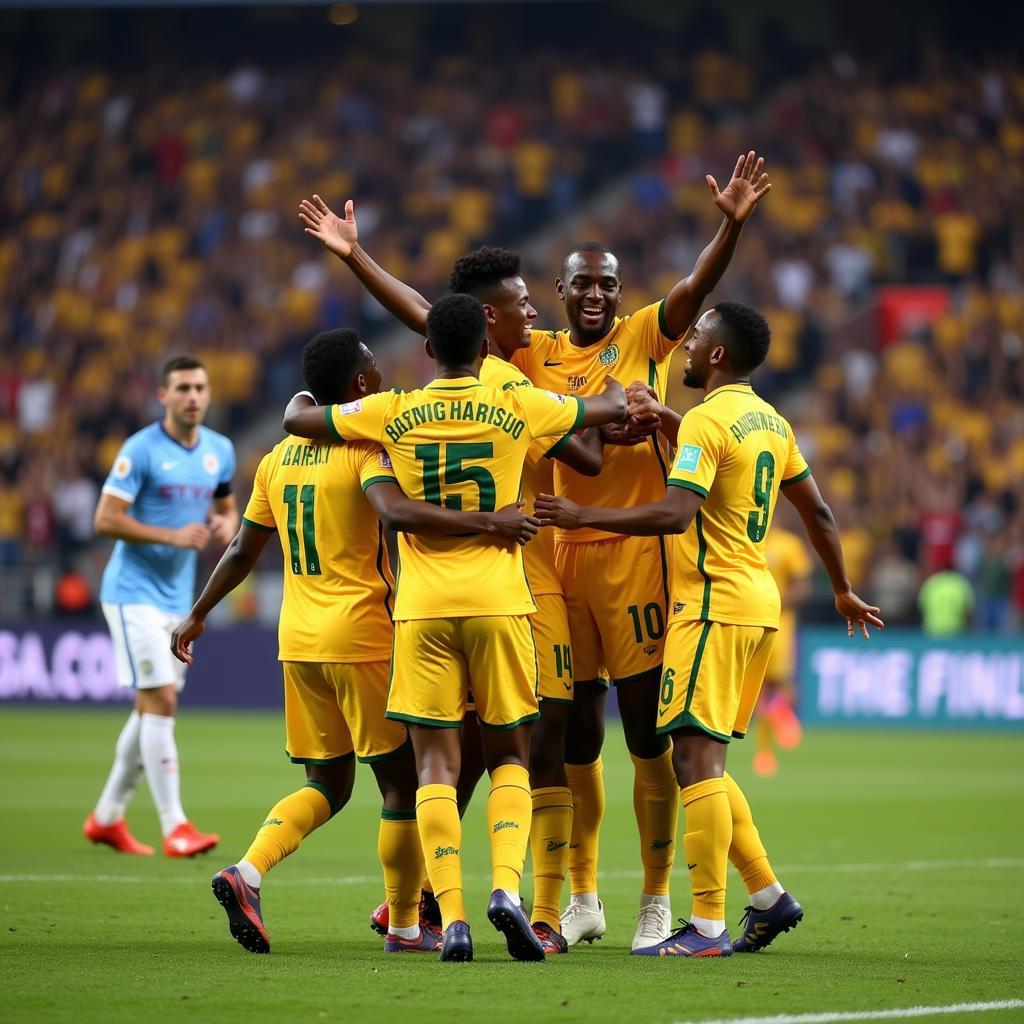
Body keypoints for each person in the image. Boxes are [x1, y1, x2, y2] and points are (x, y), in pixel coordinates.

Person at [297, 149, 770, 949]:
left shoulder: (644, 337)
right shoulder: (528, 353)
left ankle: (656, 898)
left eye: (607, 284)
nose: (595, 294)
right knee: (559, 732)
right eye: (581, 282)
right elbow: (435, 317)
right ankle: (572, 897)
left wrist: (728, 227)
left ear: (619, 293)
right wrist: (357, 258)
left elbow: (696, 287)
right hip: (544, 557)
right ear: (559, 293)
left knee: (646, 736)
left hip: (631, 562)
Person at [170, 328, 538, 955]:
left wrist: (199, 612)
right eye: (373, 369)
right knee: (402, 785)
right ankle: (402, 925)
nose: (382, 376)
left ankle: (249, 871)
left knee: (329, 783)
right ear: (359, 386)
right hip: (362, 634)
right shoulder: (367, 447)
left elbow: (241, 549)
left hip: (298, 639)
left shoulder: (277, 458)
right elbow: (394, 512)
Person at [282, 294, 627, 962]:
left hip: (422, 610)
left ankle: (457, 917)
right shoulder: (519, 403)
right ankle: (505, 888)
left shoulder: (394, 410)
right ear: (484, 347)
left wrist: (309, 398)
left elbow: (299, 418)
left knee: (435, 764)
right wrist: (617, 391)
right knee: (509, 758)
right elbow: (602, 414)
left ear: (429, 351)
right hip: (501, 603)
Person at [535, 302, 883, 957]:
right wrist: (840, 587)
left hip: (713, 604)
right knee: (708, 765)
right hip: (758, 605)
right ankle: (768, 896)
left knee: (694, 760)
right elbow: (820, 509)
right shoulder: (771, 422)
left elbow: (673, 512)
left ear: (717, 355)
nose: (686, 348)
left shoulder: (704, 419)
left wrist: (582, 514)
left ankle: (707, 926)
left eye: (695, 340)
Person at [84, 356, 237, 857]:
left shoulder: (220, 451)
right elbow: (105, 518)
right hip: (132, 594)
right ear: (163, 396)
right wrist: (170, 535)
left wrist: (222, 523)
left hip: (178, 599)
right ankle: (176, 825)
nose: (193, 396)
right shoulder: (140, 450)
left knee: (149, 705)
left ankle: (107, 817)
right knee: (162, 701)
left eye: (200, 387)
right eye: (183, 388)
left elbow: (225, 506)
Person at [754, 522, 812, 776]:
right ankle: (765, 754)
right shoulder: (745, 538)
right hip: (751, 623)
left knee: (783, 683)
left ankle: (780, 712)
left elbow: (802, 586)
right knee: (758, 690)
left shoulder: (788, 544)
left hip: (780, 623)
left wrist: (775, 602)